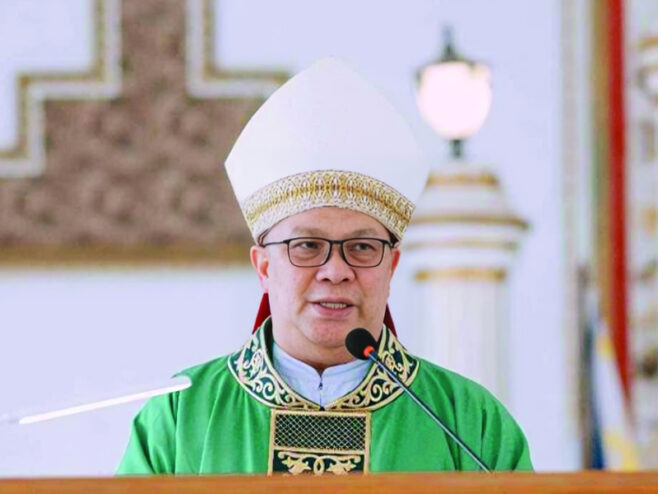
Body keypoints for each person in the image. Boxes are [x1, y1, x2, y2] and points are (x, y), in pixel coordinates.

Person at [117, 58, 533, 475]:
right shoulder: (180, 416)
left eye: (363, 247)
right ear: (263, 267)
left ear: (391, 266)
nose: (335, 270)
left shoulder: (466, 421)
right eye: (307, 246)